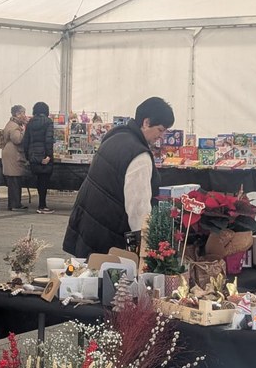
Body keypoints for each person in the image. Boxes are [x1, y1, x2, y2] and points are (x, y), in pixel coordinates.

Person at [63, 97, 175, 258]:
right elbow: (138, 210)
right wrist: (147, 249)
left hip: (88, 228)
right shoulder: (139, 155)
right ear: (146, 122)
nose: (162, 136)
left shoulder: (115, 136)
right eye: (160, 129)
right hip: (108, 238)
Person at [23, 102, 55, 214]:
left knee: (38, 180)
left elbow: (25, 141)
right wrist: (49, 156)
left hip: (33, 156)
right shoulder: (48, 122)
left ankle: (41, 205)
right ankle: (42, 205)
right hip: (44, 156)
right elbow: (49, 140)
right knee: (44, 181)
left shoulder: (30, 123)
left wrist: (28, 156)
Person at [0, 104, 28, 210]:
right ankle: (15, 204)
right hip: (13, 155)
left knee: (14, 180)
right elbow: (17, 139)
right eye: (23, 113)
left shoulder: (11, 123)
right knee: (14, 180)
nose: (24, 115)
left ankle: (15, 203)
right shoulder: (14, 126)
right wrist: (24, 129)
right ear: (18, 114)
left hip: (10, 154)